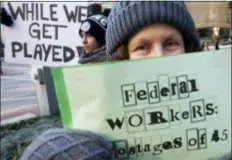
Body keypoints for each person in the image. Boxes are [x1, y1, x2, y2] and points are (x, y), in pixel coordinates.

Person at [21, 2, 231, 160]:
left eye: (171, 43)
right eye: (142, 47)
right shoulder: (94, 113)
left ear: (188, 49)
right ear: (123, 57)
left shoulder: (217, 109)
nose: (159, 57)